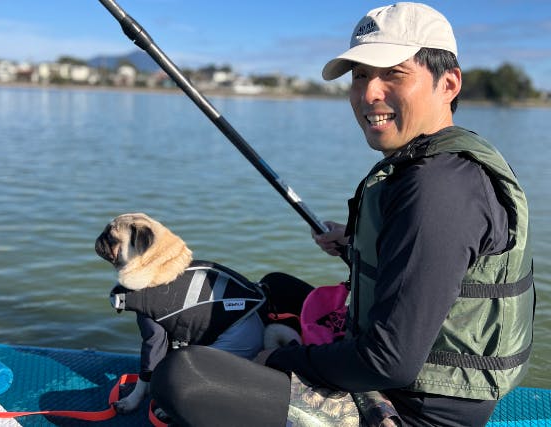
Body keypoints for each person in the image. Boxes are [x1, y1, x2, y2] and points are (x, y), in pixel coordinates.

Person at [149, 3, 535, 426]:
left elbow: (389, 362)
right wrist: (355, 246)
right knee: (274, 289)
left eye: (393, 73)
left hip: (414, 411)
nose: (369, 93)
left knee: (184, 378)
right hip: (401, 377)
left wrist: (279, 359)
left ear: (448, 84)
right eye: (361, 75)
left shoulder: (439, 188)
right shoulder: (434, 163)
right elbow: (430, 265)